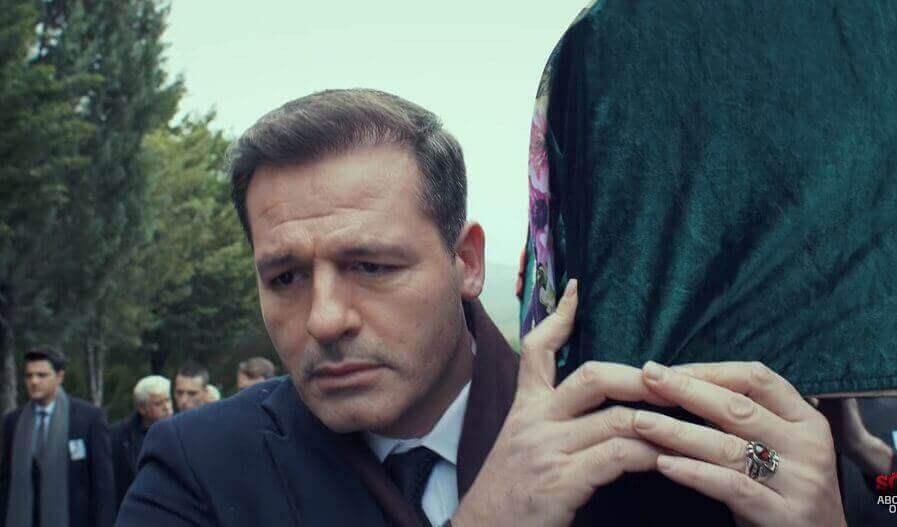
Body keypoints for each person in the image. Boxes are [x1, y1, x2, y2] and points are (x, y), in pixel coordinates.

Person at [117, 90, 847, 526]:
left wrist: (839, 498)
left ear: (466, 261)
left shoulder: (643, 436)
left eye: (371, 266)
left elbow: (871, 494)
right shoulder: (198, 466)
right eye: (285, 277)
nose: (324, 319)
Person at [1, 347, 115, 527]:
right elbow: (5, 482)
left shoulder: (88, 419)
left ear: (59, 376)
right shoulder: (13, 422)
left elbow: (103, 485)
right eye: (29, 376)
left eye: (42, 375)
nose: (34, 381)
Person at [110, 376, 173, 511]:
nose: (167, 407)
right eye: (158, 403)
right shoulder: (119, 436)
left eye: (168, 400)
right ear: (142, 408)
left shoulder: (179, 430)